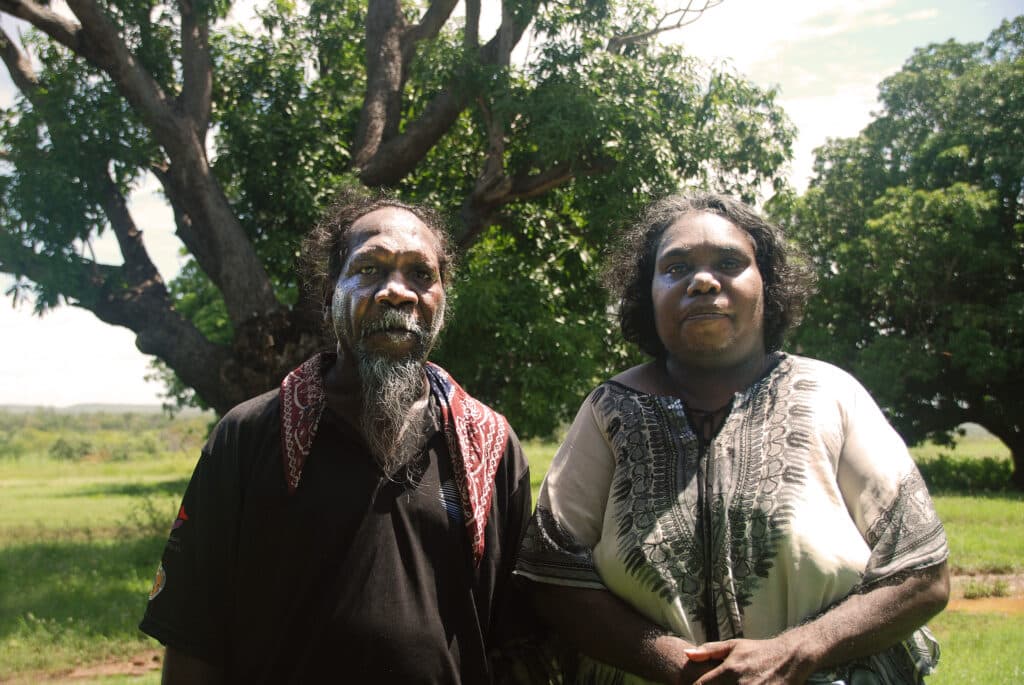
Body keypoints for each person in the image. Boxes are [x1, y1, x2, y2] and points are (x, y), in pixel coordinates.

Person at [516, 193, 950, 684]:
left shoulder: (833, 394)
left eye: (729, 262)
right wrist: (680, 667)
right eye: (675, 267)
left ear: (768, 283)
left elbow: (923, 573)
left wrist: (795, 651)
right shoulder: (608, 409)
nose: (702, 281)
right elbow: (550, 576)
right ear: (647, 293)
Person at [140, 191, 532, 683]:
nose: (398, 291)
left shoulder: (490, 447)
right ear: (329, 292)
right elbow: (194, 641)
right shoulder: (251, 435)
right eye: (369, 269)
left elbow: (516, 645)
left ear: (441, 297)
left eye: (420, 273)